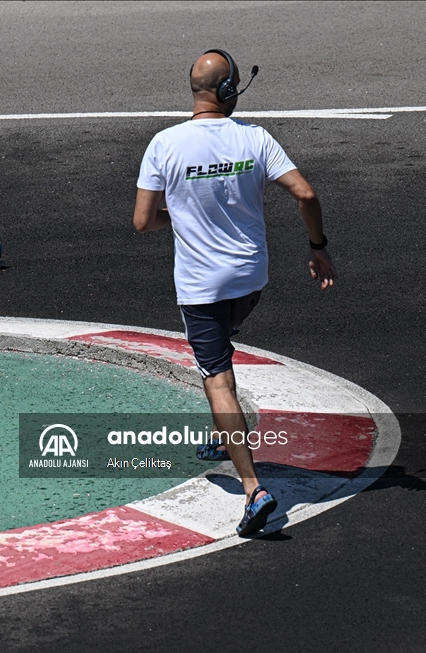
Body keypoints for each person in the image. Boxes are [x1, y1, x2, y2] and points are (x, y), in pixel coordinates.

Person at [132, 49, 337, 536]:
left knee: (217, 378)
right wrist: (318, 247)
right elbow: (305, 194)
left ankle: (252, 489)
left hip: (201, 287)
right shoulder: (255, 138)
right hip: (251, 280)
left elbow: (143, 221)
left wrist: (177, 218)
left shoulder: (164, 144)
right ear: (227, 92)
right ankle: (225, 435)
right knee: (224, 348)